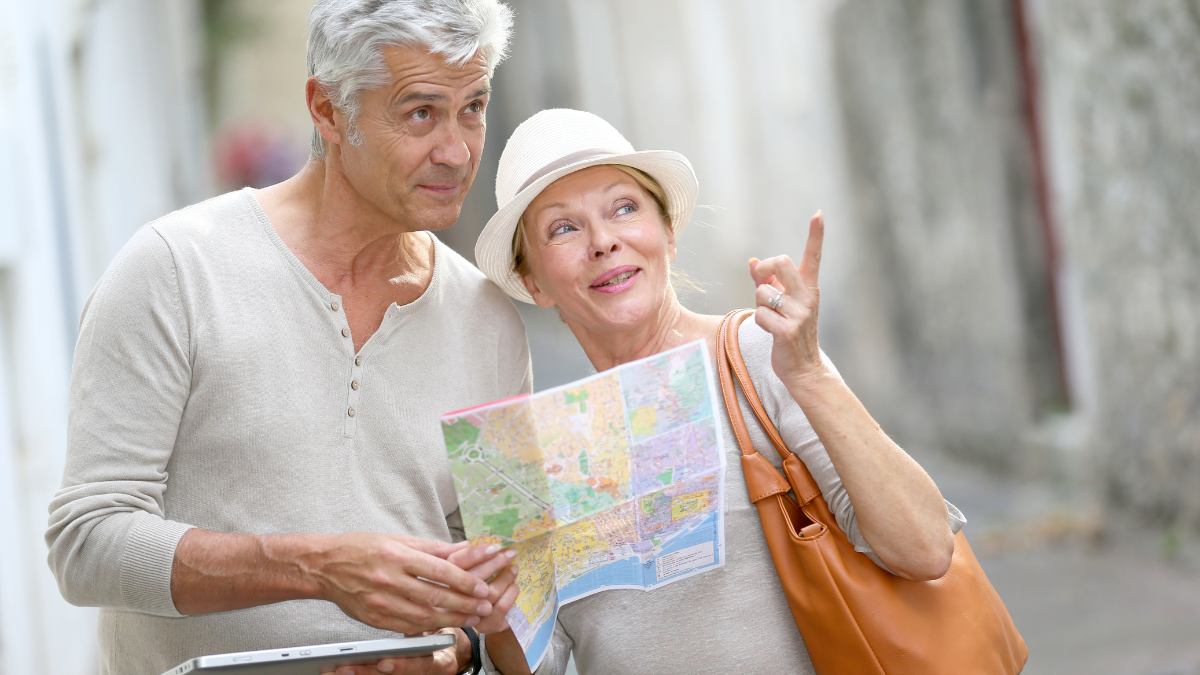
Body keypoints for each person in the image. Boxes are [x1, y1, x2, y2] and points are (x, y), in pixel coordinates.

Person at [44, 2, 528, 674]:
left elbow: (502, 574)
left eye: (472, 107)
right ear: (328, 111)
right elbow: (86, 542)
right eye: (420, 112)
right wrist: (316, 566)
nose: (456, 149)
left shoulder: (490, 321)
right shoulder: (174, 269)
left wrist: (454, 648)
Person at [470, 109, 969, 675]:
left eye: (624, 208)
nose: (603, 241)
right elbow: (539, 665)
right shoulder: (531, 454)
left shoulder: (761, 355)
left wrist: (809, 373)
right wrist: (497, 618)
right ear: (533, 281)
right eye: (563, 228)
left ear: (668, 234)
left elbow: (925, 550)